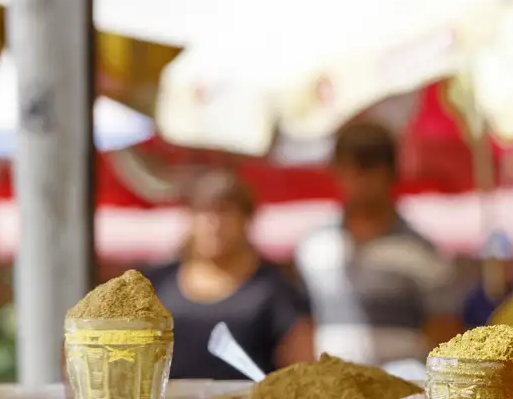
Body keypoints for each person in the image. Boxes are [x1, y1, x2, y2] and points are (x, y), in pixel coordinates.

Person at [295, 121, 460, 366]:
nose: (360, 182)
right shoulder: (313, 246)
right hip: (332, 391)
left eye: (369, 170)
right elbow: (302, 329)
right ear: (336, 173)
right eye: (351, 170)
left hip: (403, 393)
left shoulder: (422, 252)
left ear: (391, 174)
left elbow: (444, 334)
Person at [146, 170, 314, 379]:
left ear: (246, 219)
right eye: (204, 213)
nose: (214, 225)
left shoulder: (276, 290)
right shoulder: (158, 284)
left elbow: (302, 371)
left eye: (224, 213)